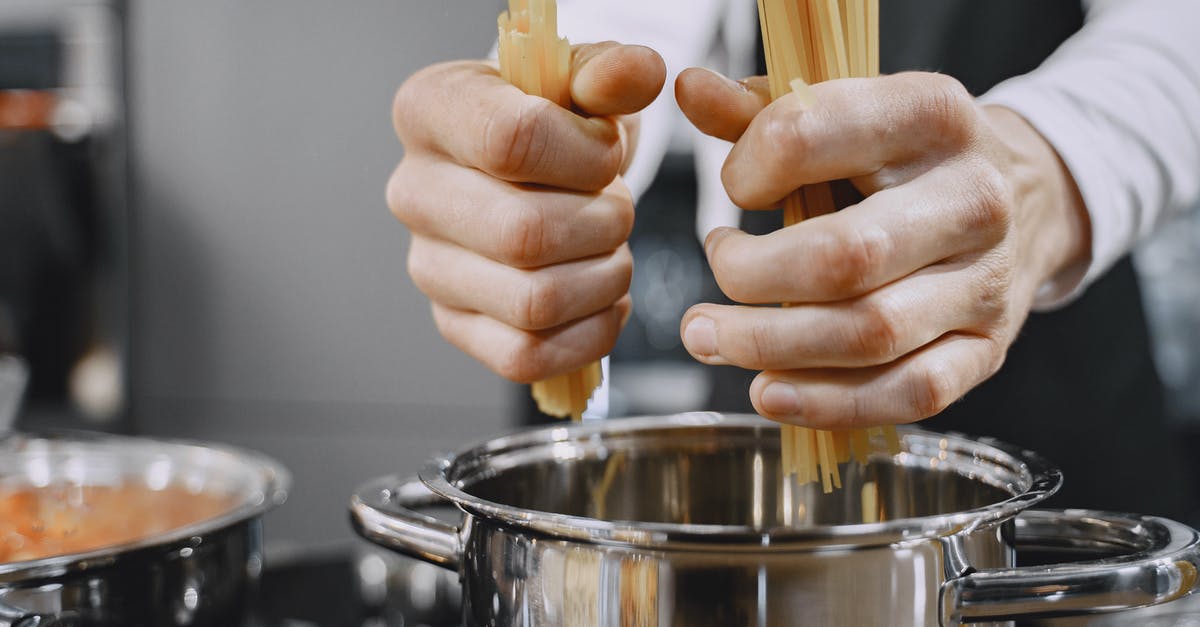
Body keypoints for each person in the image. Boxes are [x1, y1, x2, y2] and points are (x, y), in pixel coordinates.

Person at [387, 0, 1200, 520]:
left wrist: (1040, 171)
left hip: (1058, 389)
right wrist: (542, 139)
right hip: (758, 351)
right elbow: (617, 32)